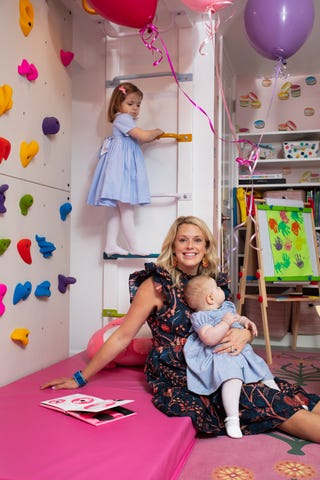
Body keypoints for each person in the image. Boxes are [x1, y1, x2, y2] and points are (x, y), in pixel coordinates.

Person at [41, 216, 320, 443]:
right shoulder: (156, 285)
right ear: (173, 247)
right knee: (266, 401)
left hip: (225, 358)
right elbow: (123, 336)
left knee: (288, 390)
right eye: (183, 240)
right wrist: (79, 378)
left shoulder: (214, 281)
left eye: (197, 240)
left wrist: (246, 333)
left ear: (206, 246)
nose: (190, 246)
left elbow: (232, 318)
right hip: (181, 372)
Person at [183, 275, 280, 439]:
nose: (222, 290)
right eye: (218, 288)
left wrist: (246, 322)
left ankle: (280, 396)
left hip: (239, 350)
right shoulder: (200, 317)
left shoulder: (227, 307)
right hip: (219, 353)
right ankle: (232, 418)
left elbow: (238, 318)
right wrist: (225, 323)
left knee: (261, 368)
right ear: (210, 297)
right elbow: (209, 338)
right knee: (232, 377)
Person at [87, 82, 163, 256]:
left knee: (115, 209)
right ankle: (134, 247)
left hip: (119, 170)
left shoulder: (126, 122)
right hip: (120, 171)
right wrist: (156, 131)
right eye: (130, 104)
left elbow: (140, 139)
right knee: (126, 208)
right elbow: (142, 135)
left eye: (138, 105)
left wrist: (150, 137)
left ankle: (110, 244)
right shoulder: (123, 118)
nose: (135, 108)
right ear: (118, 103)